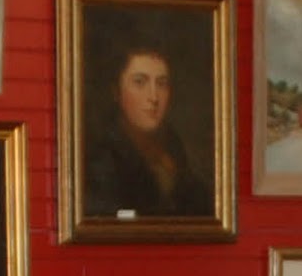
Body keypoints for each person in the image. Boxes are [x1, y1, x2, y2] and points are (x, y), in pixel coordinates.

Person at [83, 42, 213, 220]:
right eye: (139, 82)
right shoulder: (101, 163)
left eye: (161, 84)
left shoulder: (175, 155)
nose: (153, 97)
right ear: (116, 92)